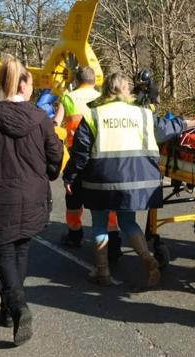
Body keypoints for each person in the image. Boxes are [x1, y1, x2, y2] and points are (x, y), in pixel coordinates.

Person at [62, 72, 195, 286]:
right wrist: (192, 122)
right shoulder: (142, 114)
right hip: (134, 179)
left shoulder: (93, 114)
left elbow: (80, 153)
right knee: (128, 222)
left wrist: (69, 177)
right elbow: (165, 129)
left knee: (99, 224)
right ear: (126, 90)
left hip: (100, 180)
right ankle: (147, 259)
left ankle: (102, 271)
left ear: (106, 90)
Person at [0, 56, 63, 346]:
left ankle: (17, 307)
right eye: (32, 83)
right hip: (33, 193)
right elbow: (55, 156)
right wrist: (46, 172)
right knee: (21, 249)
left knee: (4, 253)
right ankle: (10, 308)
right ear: (23, 85)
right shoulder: (40, 119)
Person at [58, 67, 122, 261]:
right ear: (95, 81)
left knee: (74, 200)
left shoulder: (68, 98)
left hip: (76, 156)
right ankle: (114, 244)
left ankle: (75, 235)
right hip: (102, 157)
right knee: (106, 204)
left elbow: (56, 122)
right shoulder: (103, 98)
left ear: (77, 80)